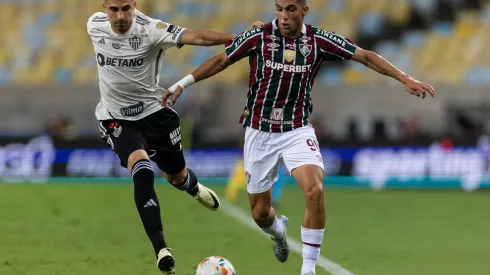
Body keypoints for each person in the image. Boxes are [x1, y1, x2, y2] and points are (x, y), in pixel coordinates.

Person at [163, 0, 435, 274]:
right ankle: (279, 233)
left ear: (304, 10)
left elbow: (363, 55)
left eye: (291, 8)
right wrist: (182, 83)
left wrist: (404, 78)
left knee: (315, 190)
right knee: (259, 214)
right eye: (279, 8)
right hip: (259, 131)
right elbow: (222, 60)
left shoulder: (318, 40)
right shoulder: (258, 35)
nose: (283, 15)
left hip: (297, 129)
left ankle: (308, 268)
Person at [87, 1, 262, 274]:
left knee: (176, 177)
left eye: (125, 8)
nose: (120, 16)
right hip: (115, 118)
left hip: (155, 115)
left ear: (134, 5)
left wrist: (241, 37)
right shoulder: (94, 24)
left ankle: (192, 187)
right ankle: (161, 248)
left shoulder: (152, 30)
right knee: (141, 167)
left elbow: (197, 36)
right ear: (104, 8)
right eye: (113, 9)